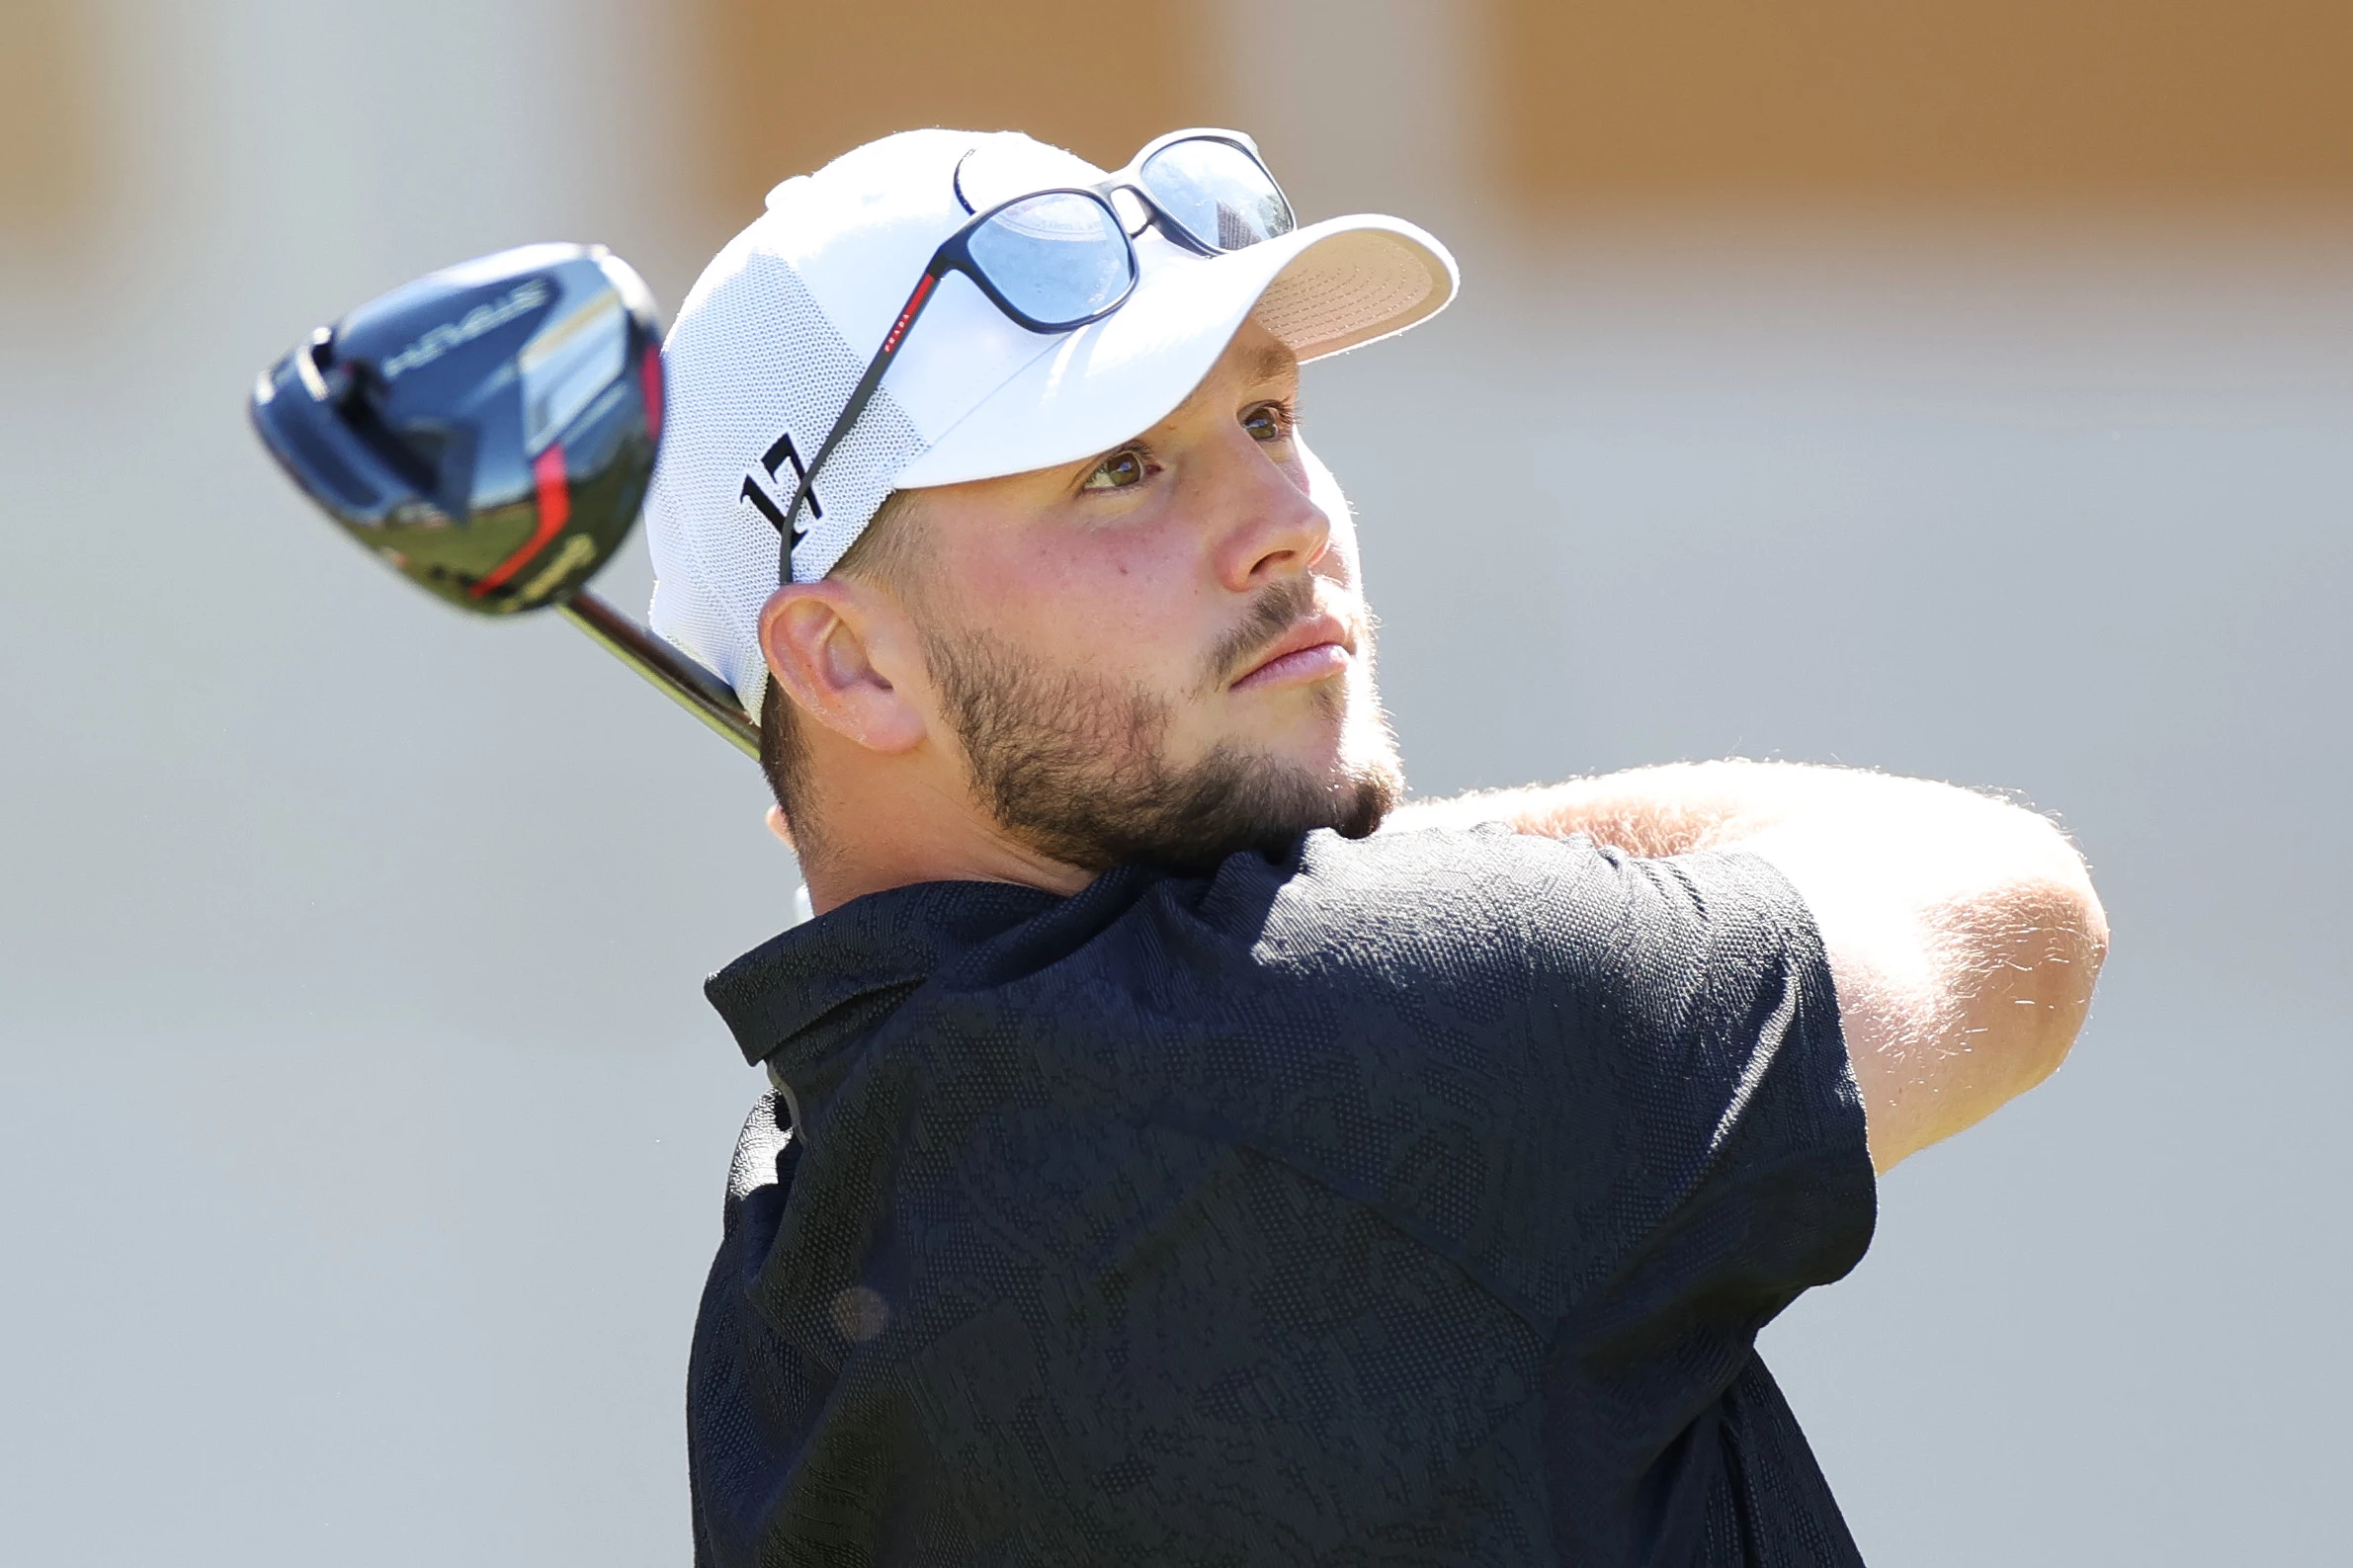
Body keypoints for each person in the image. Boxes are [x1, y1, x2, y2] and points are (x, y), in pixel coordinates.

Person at [642, 127, 2108, 1566]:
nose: (1286, 521)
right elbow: (2013, 910)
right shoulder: (1359, 1024)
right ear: (850, 667)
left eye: (1267, 419)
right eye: (1121, 467)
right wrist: (1413, 874)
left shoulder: (787, 1258)